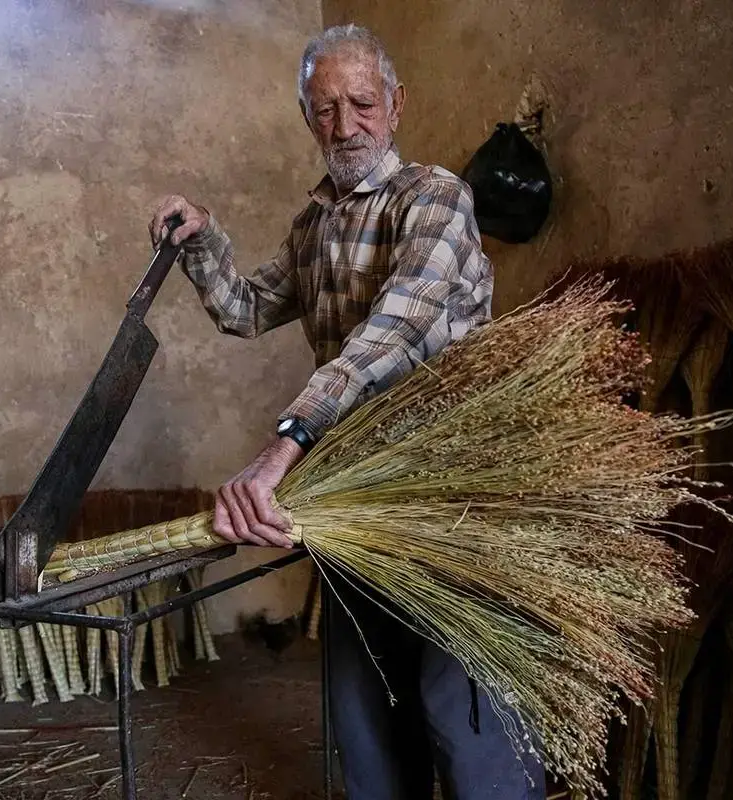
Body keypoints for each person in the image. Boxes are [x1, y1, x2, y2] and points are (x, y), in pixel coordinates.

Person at [148, 24, 545, 800]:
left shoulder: (435, 198)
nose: (346, 125)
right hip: (355, 495)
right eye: (325, 109)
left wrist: (285, 443)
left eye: (363, 103)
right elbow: (246, 308)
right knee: (365, 702)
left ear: (396, 105)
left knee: (460, 708)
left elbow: (392, 329)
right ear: (307, 118)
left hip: (445, 494)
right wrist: (202, 240)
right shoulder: (315, 226)